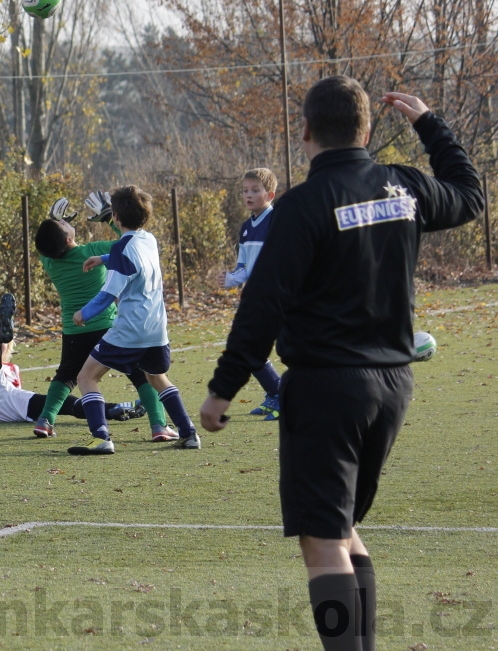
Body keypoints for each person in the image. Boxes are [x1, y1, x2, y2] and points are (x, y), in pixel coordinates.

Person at [199, 79, 483, 651]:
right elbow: (470, 196)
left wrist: (223, 387)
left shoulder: (303, 205)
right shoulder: (403, 187)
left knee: (322, 540)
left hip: (327, 388)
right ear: (367, 130)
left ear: (305, 131)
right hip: (393, 387)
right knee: (343, 527)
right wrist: (430, 125)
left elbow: (264, 304)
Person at [66, 186, 201, 455]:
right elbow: (132, 259)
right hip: (156, 328)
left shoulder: (121, 250)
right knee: (156, 377)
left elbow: (108, 294)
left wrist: (84, 312)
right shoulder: (149, 239)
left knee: (86, 376)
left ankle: (100, 437)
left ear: (115, 217)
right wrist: (103, 258)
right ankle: (188, 433)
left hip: (130, 330)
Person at [33, 198, 171, 440]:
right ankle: (159, 425)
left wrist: (52, 220)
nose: (65, 222)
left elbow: (46, 246)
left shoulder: (49, 262)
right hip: (106, 327)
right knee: (140, 374)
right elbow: (129, 243)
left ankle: (45, 421)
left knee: (66, 375)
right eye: (63, 224)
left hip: (73, 330)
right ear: (68, 240)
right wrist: (110, 218)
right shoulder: (92, 251)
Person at [0, 294, 143, 426]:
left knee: (65, 404)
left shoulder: (12, 368)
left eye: (6, 343)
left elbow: (15, 393)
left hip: (11, 407)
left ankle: (113, 409)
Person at [217, 167, 284, 420]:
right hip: (256, 299)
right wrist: (229, 279)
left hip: (278, 298)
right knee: (247, 348)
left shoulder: (277, 221)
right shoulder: (246, 227)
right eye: (245, 190)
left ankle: (287, 396)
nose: (248, 195)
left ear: (270, 195)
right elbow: (243, 268)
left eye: (255, 190)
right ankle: (275, 393)